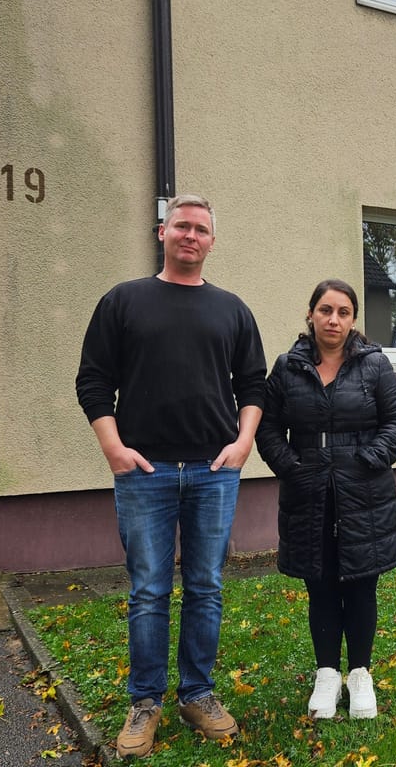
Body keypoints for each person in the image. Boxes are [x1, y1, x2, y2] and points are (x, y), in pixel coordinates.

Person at [75, 193, 266, 757]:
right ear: (162, 232)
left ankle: (198, 694)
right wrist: (113, 448)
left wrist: (243, 443)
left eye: (201, 229)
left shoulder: (232, 310)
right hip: (145, 472)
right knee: (149, 591)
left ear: (212, 240)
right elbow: (93, 380)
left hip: (213, 472)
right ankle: (145, 703)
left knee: (205, 587)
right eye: (181, 225)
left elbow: (254, 385)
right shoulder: (124, 302)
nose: (190, 235)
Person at [256, 278, 396, 720]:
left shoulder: (374, 365)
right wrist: (290, 466)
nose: (334, 319)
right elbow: (267, 428)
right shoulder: (288, 367)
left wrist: (370, 459)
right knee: (319, 584)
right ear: (311, 315)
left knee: (362, 584)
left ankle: (360, 674)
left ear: (353, 319)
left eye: (343, 312)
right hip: (308, 496)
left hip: (364, 493)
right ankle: (327, 674)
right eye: (325, 310)